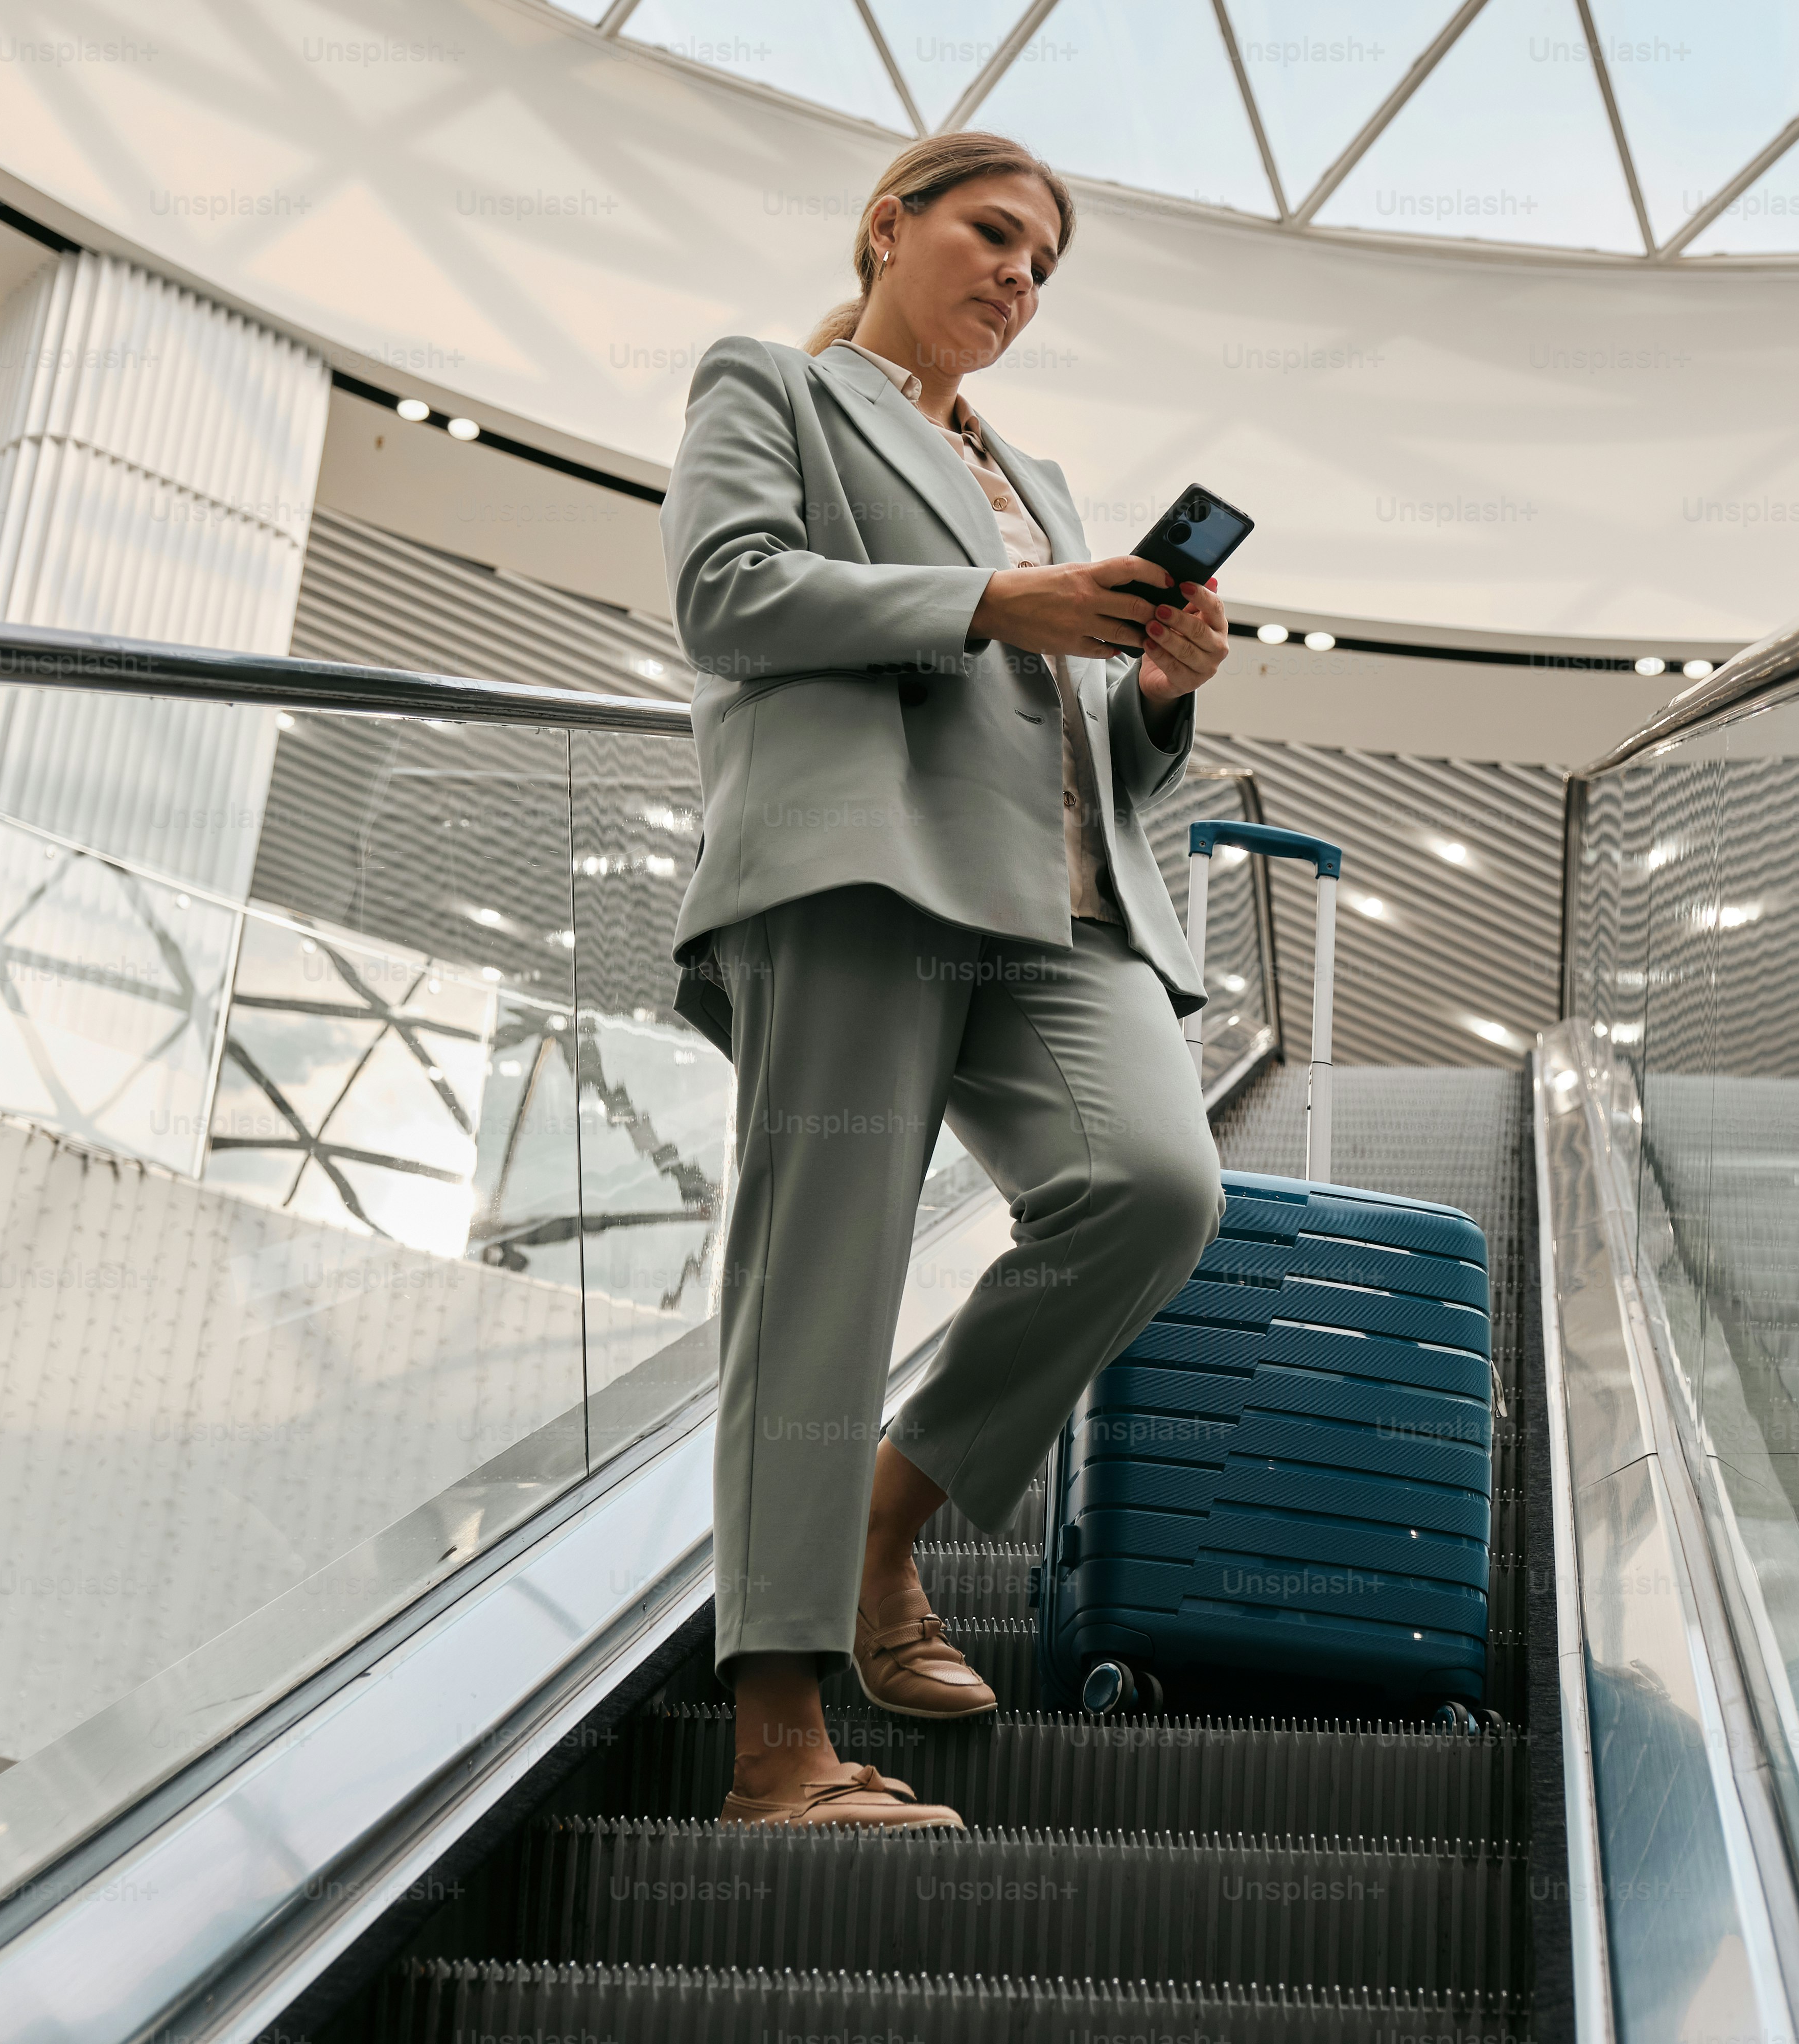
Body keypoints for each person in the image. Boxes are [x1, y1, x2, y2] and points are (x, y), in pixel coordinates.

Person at [658, 134, 1234, 1829]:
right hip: (858, 874)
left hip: (1061, 907)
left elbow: (1085, 743)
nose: (1019, 279)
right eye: (995, 236)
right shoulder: (773, 386)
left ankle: (881, 1528)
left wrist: (1162, 692)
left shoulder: (1039, 477)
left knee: (1152, 1185)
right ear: (887, 225)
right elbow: (725, 593)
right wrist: (998, 595)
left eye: (1044, 266)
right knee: (820, 1282)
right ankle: (778, 1753)